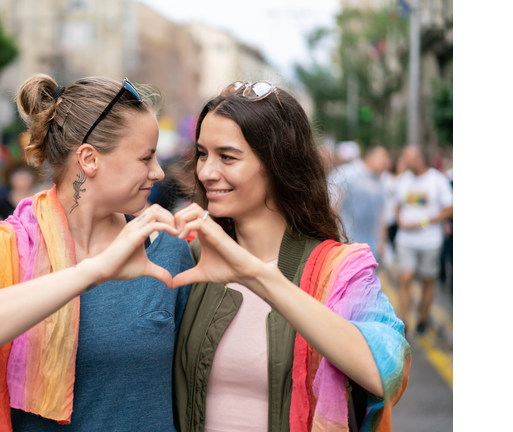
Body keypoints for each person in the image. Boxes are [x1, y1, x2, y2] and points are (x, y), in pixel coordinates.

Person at [0, 74, 193, 432]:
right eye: (145, 157)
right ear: (88, 159)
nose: (158, 171)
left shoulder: (166, 249)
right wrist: (93, 272)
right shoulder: (5, 245)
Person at [171, 81, 410, 432]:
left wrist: (256, 274)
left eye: (227, 156)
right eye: (202, 153)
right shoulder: (190, 257)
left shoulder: (340, 269)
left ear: (277, 163)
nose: (206, 171)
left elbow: (387, 373)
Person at [394, 146, 453, 334]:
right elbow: (397, 205)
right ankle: (404, 320)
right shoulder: (403, 179)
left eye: (407, 157)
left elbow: (450, 208)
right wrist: (400, 220)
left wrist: (425, 222)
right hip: (406, 240)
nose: (403, 160)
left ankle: (422, 318)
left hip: (430, 241)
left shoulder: (437, 180)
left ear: (419, 159)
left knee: (428, 280)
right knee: (406, 278)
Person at [334, 145, 392, 263]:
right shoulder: (349, 174)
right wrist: (336, 236)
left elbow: (382, 215)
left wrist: (382, 241)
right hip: (348, 242)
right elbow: (334, 206)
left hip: (372, 246)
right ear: (370, 157)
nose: (385, 161)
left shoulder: (383, 181)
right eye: (382, 157)